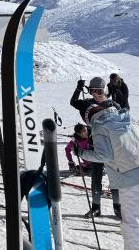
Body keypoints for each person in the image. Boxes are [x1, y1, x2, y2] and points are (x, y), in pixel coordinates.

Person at [70, 77, 122, 219]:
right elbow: (73, 102)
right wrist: (78, 88)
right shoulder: (87, 104)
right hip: (96, 146)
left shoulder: (113, 104)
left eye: (99, 91)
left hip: (113, 147)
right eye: (93, 91)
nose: (96, 94)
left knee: (115, 178)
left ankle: (118, 207)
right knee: (96, 178)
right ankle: (96, 207)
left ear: (104, 90)